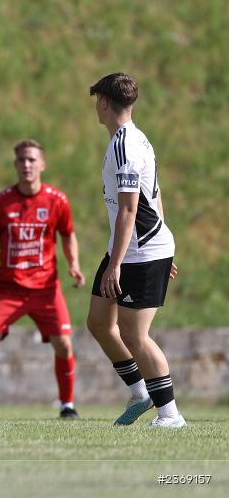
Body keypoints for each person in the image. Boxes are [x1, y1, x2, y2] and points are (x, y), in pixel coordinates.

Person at [0, 140, 85, 420]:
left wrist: (74, 265)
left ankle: (67, 406)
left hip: (46, 289)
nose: (27, 165)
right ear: (15, 165)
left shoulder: (57, 200)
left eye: (32, 160)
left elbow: (67, 234)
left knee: (64, 344)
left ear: (42, 165)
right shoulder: (1, 202)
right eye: (22, 160)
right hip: (8, 288)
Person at [85, 73, 183, 428]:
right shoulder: (135, 139)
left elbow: (129, 208)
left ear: (105, 104)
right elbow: (155, 196)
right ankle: (140, 393)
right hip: (130, 248)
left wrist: (118, 264)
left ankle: (170, 415)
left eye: (97, 100)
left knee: (135, 335)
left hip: (138, 252)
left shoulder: (126, 145)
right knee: (98, 322)